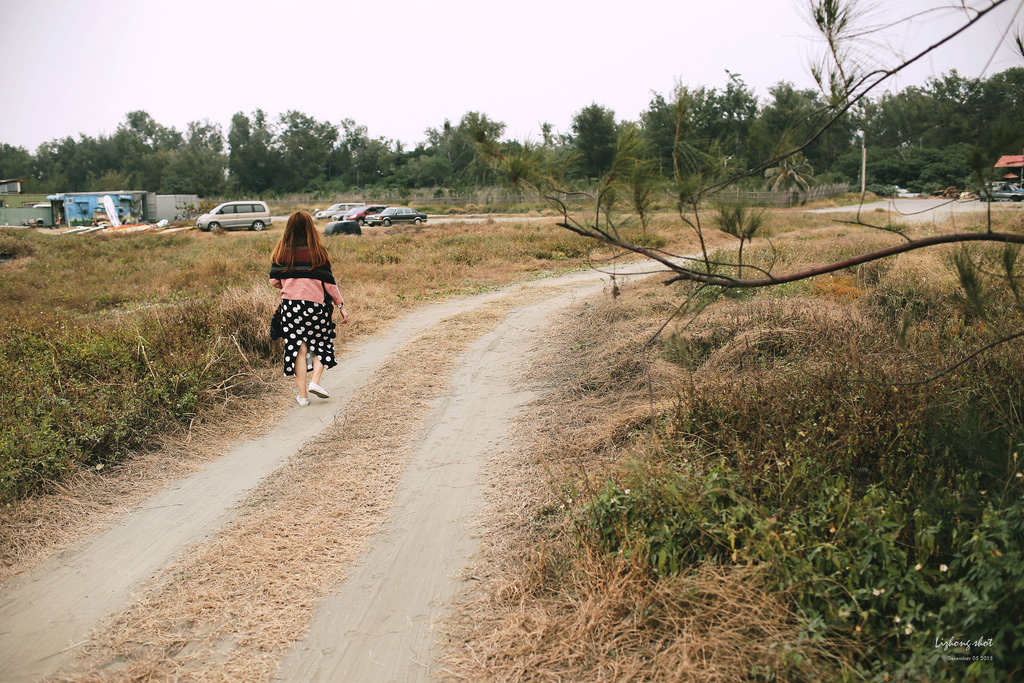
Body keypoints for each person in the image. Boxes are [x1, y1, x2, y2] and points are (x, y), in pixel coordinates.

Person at [269, 211, 349, 406]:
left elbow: (274, 281)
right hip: (316, 308)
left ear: (289, 229)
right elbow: (330, 284)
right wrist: (340, 305)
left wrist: (291, 284)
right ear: (310, 228)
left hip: (290, 309)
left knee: (298, 350)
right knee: (323, 342)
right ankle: (315, 382)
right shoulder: (318, 253)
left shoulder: (282, 253)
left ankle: (303, 397)